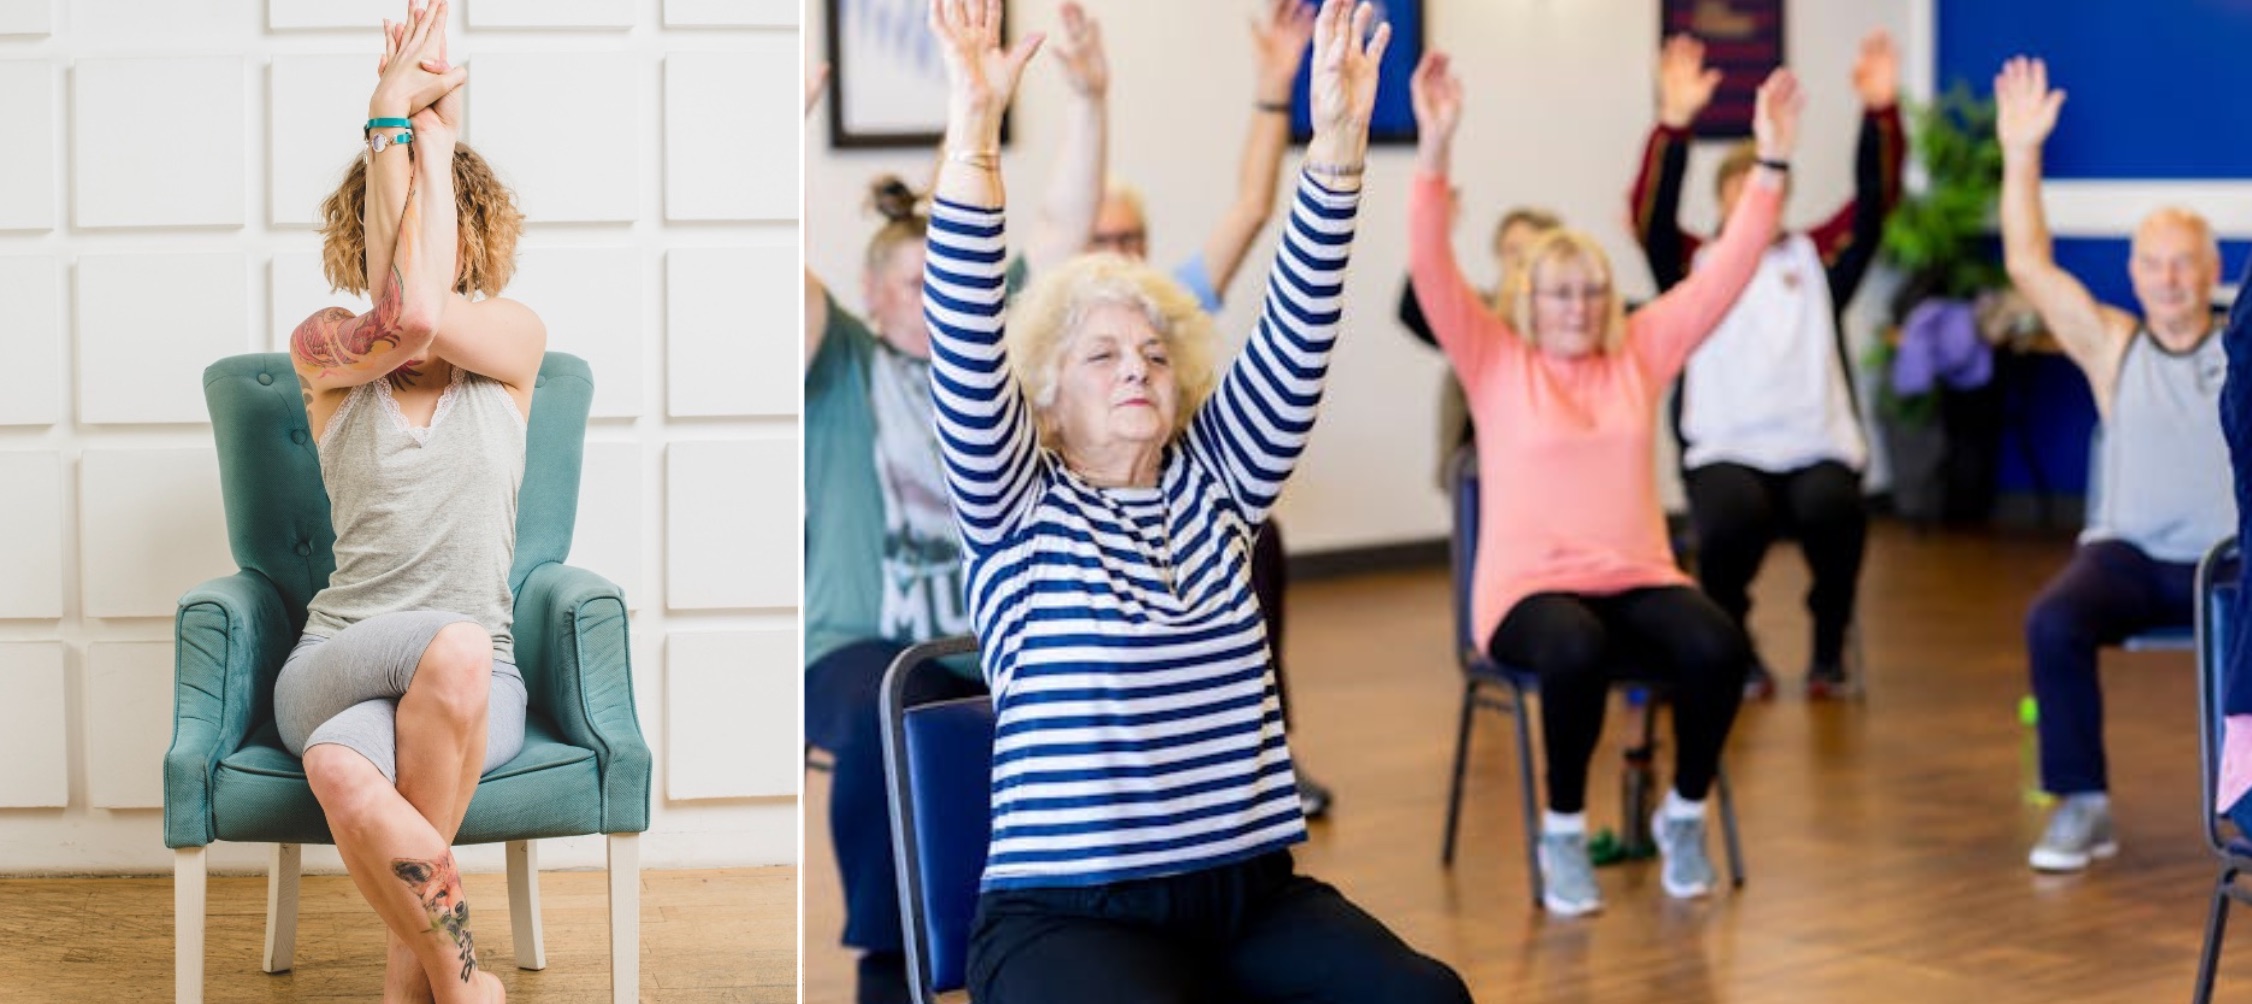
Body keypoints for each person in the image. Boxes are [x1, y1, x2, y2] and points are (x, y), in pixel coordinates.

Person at [923, 1, 1468, 999]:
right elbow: (961, 330)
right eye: (1099, 354)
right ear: (1043, 393)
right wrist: (973, 130)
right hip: (1064, 909)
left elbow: (1301, 317)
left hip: (1249, 897)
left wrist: (1339, 138)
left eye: (1152, 353)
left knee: (1426, 994)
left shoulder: (1217, 485)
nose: (1134, 367)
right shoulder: (1014, 509)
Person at [1409, 48, 1800, 916]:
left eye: (1592, 292)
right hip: (1526, 592)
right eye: (1559, 295)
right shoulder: (1495, 360)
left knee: (1717, 645)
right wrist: (1433, 148)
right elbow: (1431, 272)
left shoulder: (1641, 351)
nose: (1579, 308)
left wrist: (1770, 163)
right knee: (1574, 650)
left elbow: (1726, 272)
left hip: (1634, 577)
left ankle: (1684, 814)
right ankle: (1562, 835)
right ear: (1526, 303)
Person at [800, 9, 1107, 1000]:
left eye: (948, 279)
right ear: (873, 291)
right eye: (912, 281)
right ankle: (891, 961)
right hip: (859, 639)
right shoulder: (840, 359)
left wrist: (1090, 99)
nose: (933, 297)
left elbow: (1062, 227)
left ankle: (1050, 928)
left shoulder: (996, 350)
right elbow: (774, 269)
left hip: (985, 629)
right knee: (891, 706)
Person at [283, 3, 540, 1000]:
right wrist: (398, 118)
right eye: (402, 231)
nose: (425, 246)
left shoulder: (514, 346)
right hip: (336, 664)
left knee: (356, 767)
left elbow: (431, 312)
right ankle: (468, 983)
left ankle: (412, 968)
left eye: (445, 224)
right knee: (451, 642)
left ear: (477, 240)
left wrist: (422, 139)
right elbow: (407, 312)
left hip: (484, 688)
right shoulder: (325, 354)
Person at [1029, 0, 1340, 817]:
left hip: (1181, 528)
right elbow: (1055, 236)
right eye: (1104, 237)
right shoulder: (1043, 340)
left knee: (1257, 538)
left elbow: (1250, 208)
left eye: (1132, 239)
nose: (1119, 255)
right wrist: (1085, 100)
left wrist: (1279, 89)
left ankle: (1267, 746)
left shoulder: (1165, 311)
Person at [1995, 55, 2235, 872]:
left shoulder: (2243, 349)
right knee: (2052, 619)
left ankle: (2249, 808)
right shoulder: (2114, 345)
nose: (2168, 279)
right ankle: (2081, 805)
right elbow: (2029, 265)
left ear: (2214, 271)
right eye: (2153, 264)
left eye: (2184, 263)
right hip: (2129, 557)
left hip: (2230, 564)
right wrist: (2022, 152)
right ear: (2133, 273)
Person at [1628, 31, 1905, 699]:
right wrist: (1673, 123)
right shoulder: (1693, 266)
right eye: (1742, 194)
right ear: (1726, 206)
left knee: (1838, 512)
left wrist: (1881, 114)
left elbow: (1874, 205)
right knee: (1728, 523)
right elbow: (1652, 219)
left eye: (1768, 191)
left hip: (1815, 446)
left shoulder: (1818, 260)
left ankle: (1827, 649)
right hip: (1727, 449)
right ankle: (1736, 644)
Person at [1397, 202, 1564, 473]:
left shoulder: (1576, 320)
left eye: (1533, 252)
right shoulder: (1476, 313)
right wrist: (1434, 234)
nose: (1520, 262)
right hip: (1477, 470)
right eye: (1512, 250)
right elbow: (1414, 311)